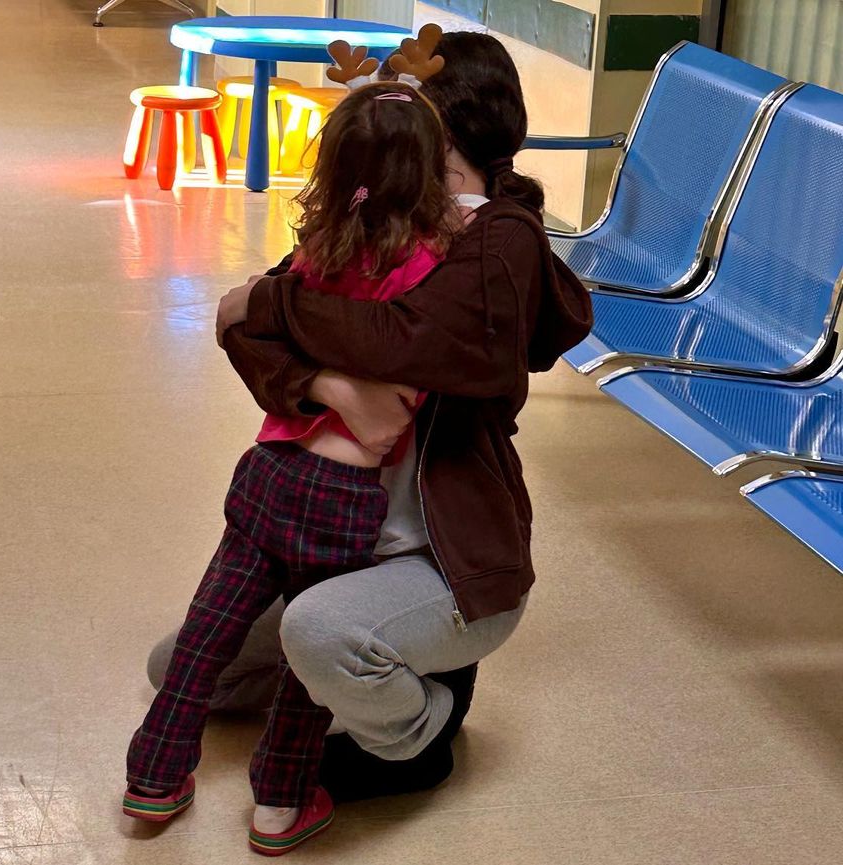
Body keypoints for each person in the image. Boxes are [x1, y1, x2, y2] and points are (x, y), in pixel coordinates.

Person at [202, 29, 592, 807]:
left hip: (443, 559)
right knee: (185, 668)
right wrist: (331, 389)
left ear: (440, 132)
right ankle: (351, 671)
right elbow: (240, 330)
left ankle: (420, 730)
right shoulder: (378, 214)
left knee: (316, 633)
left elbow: (403, 337)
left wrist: (273, 300)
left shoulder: (500, 238)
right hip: (334, 539)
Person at [126, 38, 461, 856]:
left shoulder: (316, 254)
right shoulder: (432, 269)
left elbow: (251, 316)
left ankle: (154, 776)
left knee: (205, 634)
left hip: (270, 473)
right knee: (302, 670)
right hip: (344, 502)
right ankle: (278, 806)